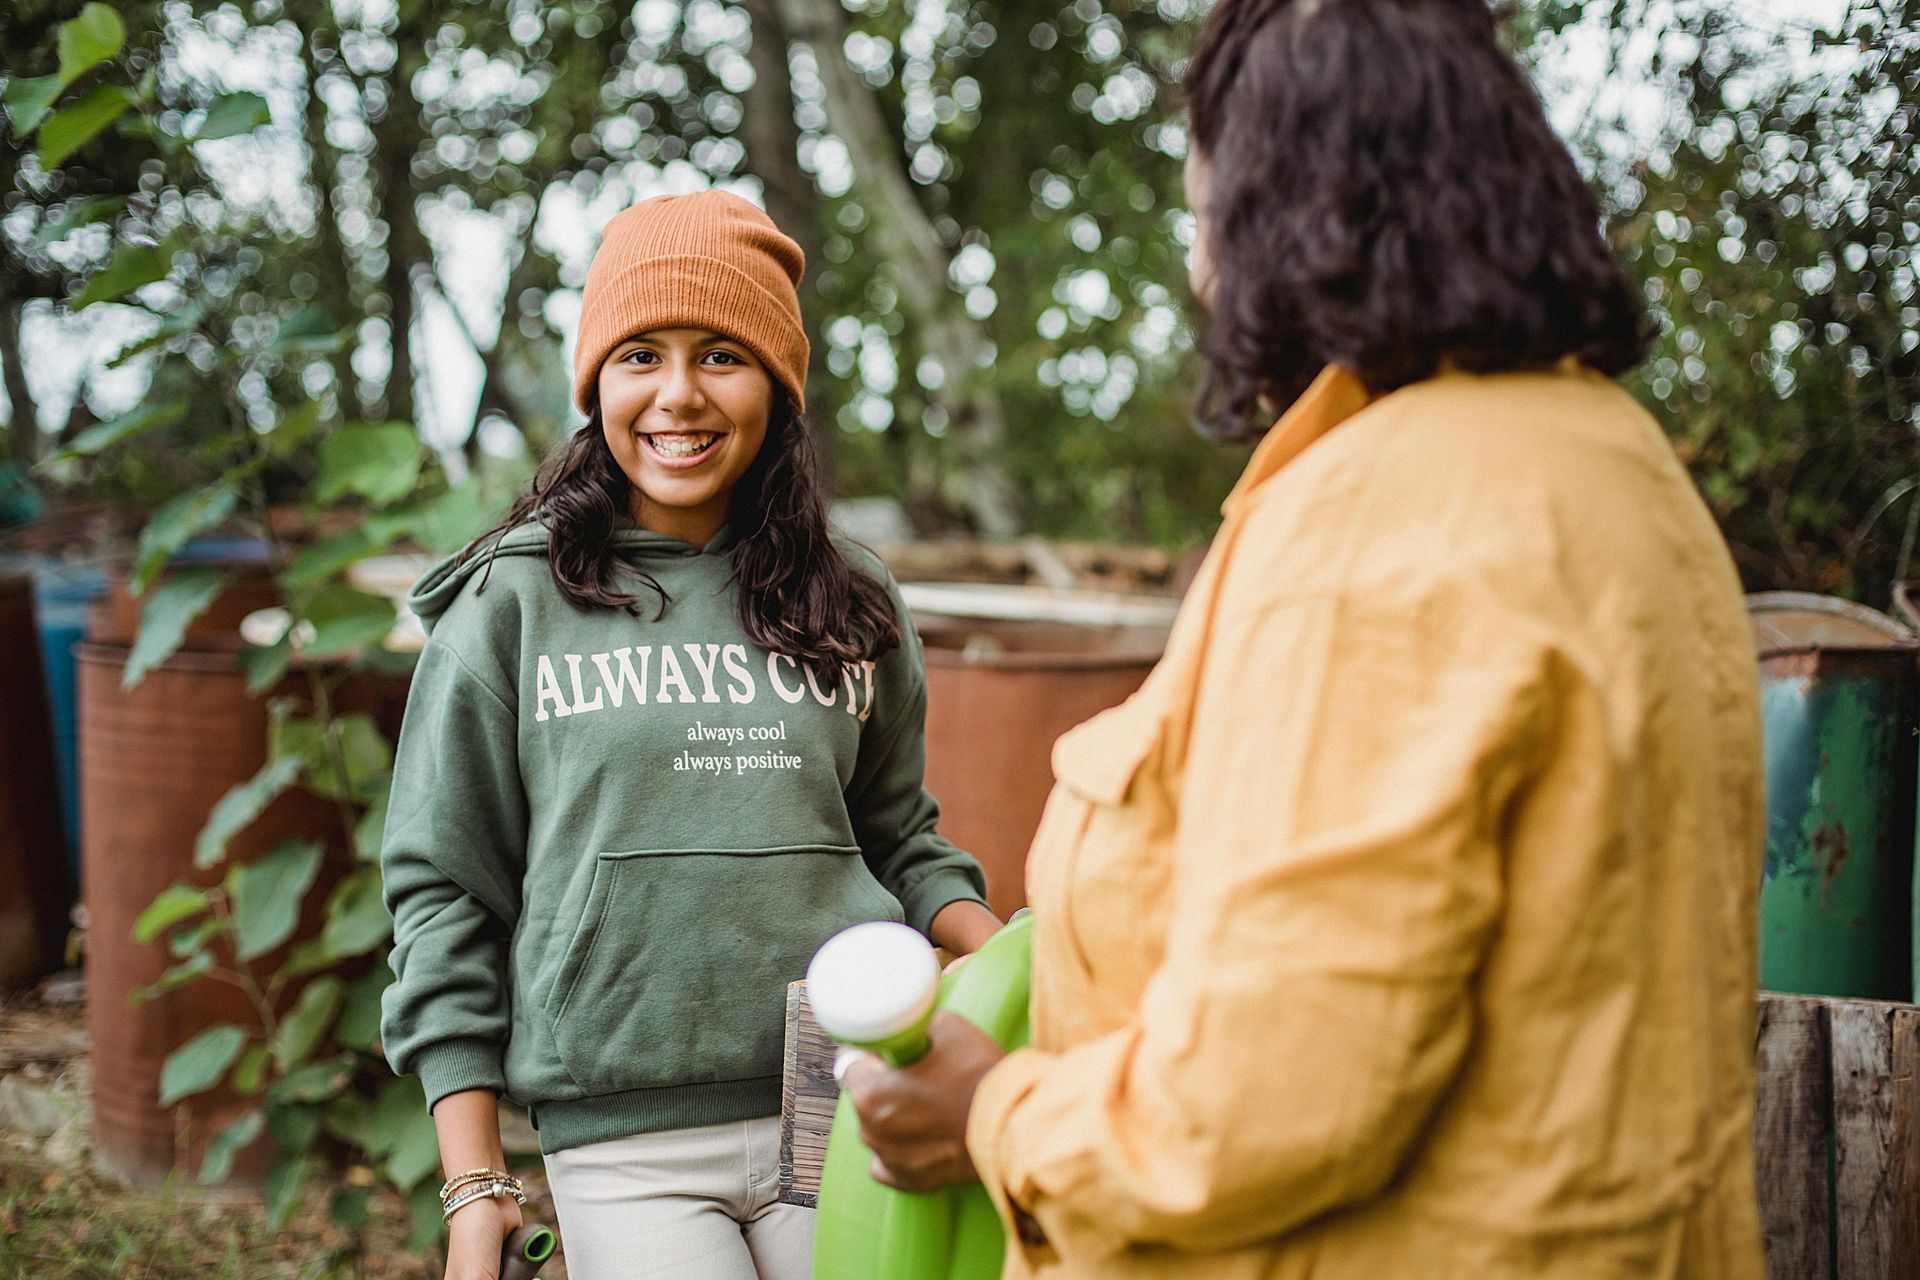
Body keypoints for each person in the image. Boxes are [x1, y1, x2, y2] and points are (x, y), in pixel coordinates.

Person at [842, 1, 1767, 1276]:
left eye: (1202, 212)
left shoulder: (1379, 523)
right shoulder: (1621, 468)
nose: (1201, 270)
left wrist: (992, 1115)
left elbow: (1268, 1095)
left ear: (1282, 210)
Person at [379, 189, 1003, 1280]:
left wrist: (1009, 955)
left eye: (721, 354)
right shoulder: (512, 605)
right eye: (639, 357)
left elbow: (897, 838)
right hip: (626, 1132)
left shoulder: (852, 599)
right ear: (597, 385)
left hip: (843, 1091)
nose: (678, 395)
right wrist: (475, 1180)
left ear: (777, 384)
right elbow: (445, 890)